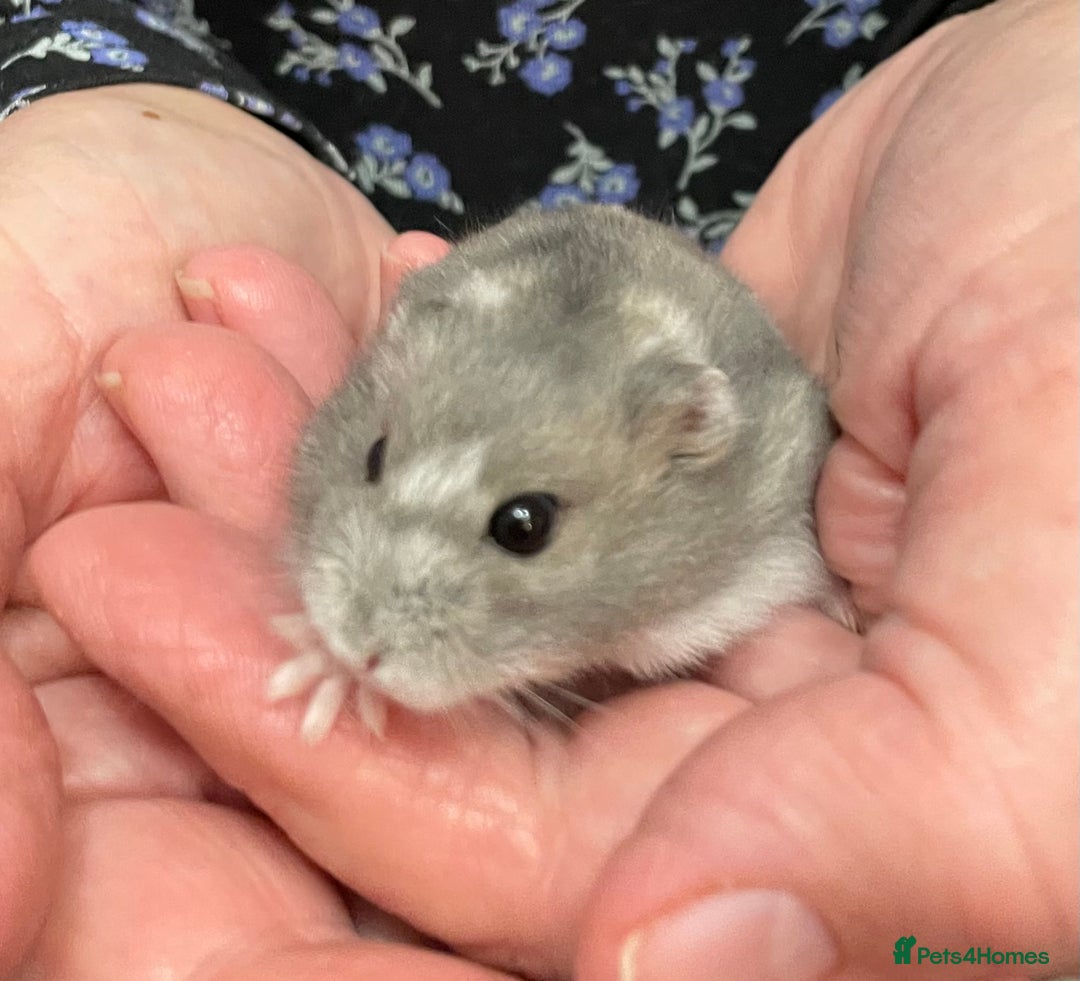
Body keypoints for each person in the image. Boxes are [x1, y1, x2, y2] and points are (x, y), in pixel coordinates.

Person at [0, 1, 1076, 979]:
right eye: (379, 459)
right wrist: (111, 80)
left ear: (689, 447)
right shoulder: (422, 345)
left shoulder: (730, 452)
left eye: (520, 529)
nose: (371, 619)